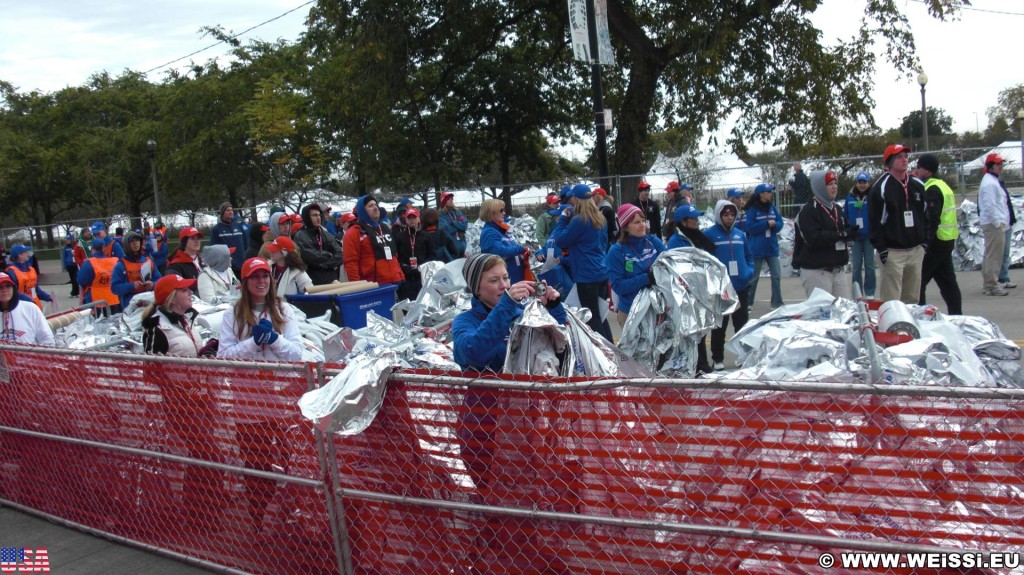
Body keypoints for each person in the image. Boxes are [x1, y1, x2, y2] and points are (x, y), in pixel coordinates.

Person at [453, 252, 566, 370]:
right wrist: (506, 305)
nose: (504, 285)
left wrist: (553, 307)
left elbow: (561, 340)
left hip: (535, 384)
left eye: (506, 278)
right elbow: (473, 354)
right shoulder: (465, 321)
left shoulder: (523, 311)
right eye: (493, 280)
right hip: (492, 387)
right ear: (476, 289)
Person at [549, 184, 611, 340]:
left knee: (592, 318)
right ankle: (611, 348)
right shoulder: (600, 217)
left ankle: (606, 354)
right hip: (601, 271)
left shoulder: (580, 220)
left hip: (586, 275)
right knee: (601, 316)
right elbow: (604, 243)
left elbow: (561, 241)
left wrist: (562, 219)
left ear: (576, 199)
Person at [868, 144, 927, 303]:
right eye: (899, 157)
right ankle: (892, 327)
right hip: (893, 252)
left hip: (915, 250)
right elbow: (875, 221)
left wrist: (924, 242)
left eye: (905, 156)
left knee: (912, 299)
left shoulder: (917, 184)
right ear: (890, 162)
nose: (904, 160)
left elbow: (926, 214)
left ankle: (908, 327)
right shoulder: (881, 188)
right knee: (892, 301)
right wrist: (881, 248)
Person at [218, 257, 303, 361]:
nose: (261, 281)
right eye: (254, 277)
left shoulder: (284, 309)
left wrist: (274, 339)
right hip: (247, 376)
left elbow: (297, 355)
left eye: (265, 276)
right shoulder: (232, 313)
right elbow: (223, 356)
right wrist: (253, 342)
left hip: (280, 376)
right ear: (245, 282)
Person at [667, 204, 716, 374]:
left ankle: (701, 363)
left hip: (700, 290)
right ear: (684, 222)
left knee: (701, 329)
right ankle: (696, 365)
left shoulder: (697, 237)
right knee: (690, 331)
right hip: (686, 292)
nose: (697, 221)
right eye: (693, 218)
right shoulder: (676, 242)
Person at [705, 200, 753, 370]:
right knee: (720, 326)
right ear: (719, 215)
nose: (729, 217)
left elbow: (749, 257)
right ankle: (717, 358)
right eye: (725, 214)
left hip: (740, 287)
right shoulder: (710, 235)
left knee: (741, 324)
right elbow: (706, 260)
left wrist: (748, 273)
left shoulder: (740, 235)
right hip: (721, 290)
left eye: (732, 214)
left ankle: (743, 356)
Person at [794, 171, 855, 299]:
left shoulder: (836, 208)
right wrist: (840, 235)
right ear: (820, 187)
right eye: (829, 184)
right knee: (823, 315)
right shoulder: (809, 211)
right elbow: (814, 238)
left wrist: (850, 233)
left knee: (844, 311)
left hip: (838, 270)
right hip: (817, 271)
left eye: (835, 183)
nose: (834, 187)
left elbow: (845, 229)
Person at [604, 204, 666, 328]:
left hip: (657, 308)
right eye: (636, 222)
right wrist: (647, 278)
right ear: (625, 227)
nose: (642, 225)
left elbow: (668, 265)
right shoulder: (617, 251)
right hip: (631, 312)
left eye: (643, 221)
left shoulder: (653, 242)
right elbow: (618, 286)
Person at [915, 154, 962, 314]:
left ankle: (921, 316)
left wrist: (926, 243)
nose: (916, 170)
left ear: (926, 170)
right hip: (946, 239)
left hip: (936, 242)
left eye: (919, 167)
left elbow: (932, 220)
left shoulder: (932, 189)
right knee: (948, 283)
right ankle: (957, 315)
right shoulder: (943, 185)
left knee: (918, 281)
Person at [142, 275, 217, 357]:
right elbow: (151, 366)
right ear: (172, 299)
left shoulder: (187, 318)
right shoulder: (156, 326)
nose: (190, 292)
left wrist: (207, 353)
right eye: (184, 290)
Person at [343, 195, 405, 285]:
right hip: (373, 287)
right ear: (362, 210)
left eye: (376, 205)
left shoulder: (384, 228)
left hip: (394, 283)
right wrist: (358, 287)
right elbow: (351, 263)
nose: (375, 208)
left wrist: (401, 276)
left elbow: (394, 255)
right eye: (370, 206)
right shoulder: (354, 232)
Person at [743, 183, 785, 309]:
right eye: (768, 192)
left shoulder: (773, 208)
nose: (771, 194)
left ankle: (777, 302)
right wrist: (766, 224)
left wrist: (774, 225)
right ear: (761, 194)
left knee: (776, 275)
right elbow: (749, 227)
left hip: (771, 247)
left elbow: (780, 223)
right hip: (757, 248)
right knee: (753, 277)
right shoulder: (753, 210)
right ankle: (748, 303)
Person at [979, 153, 1012, 296]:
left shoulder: (992, 181)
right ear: (990, 166)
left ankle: (989, 284)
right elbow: (989, 206)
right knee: (994, 256)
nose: (1001, 167)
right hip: (993, 225)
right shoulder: (989, 183)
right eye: (998, 164)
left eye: (1001, 164)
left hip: (995, 223)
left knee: (990, 255)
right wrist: (998, 223)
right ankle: (992, 285)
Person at [478, 198, 529, 284]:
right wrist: (521, 249)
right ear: (491, 212)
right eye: (501, 211)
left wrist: (523, 255)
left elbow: (510, 250)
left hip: (515, 277)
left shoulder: (500, 230)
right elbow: (499, 252)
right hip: (505, 281)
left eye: (504, 210)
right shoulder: (489, 232)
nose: (504, 213)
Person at [293, 202, 344, 285]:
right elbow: (311, 257)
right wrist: (329, 255)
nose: (318, 218)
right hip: (313, 281)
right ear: (307, 217)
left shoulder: (326, 234)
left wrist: (324, 264)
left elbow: (340, 255)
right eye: (314, 215)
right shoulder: (300, 235)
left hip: (332, 278)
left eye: (319, 215)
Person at [393, 208, 436, 302]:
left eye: (414, 217)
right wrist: (403, 266)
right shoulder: (400, 237)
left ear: (418, 219)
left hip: (422, 278)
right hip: (406, 278)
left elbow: (432, 256)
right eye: (409, 218)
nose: (412, 220)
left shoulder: (426, 236)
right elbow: (396, 256)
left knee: (422, 305)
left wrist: (423, 266)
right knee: (407, 306)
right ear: (406, 220)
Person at [111, 231, 161, 311]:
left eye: (137, 241)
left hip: (149, 302)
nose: (135, 243)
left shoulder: (148, 261)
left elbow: (160, 280)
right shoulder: (121, 265)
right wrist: (131, 286)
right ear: (127, 244)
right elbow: (114, 288)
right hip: (131, 306)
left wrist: (152, 284)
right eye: (132, 241)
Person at [844, 172, 875, 297]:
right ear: (856, 183)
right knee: (856, 266)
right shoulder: (850, 197)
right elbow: (845, 214)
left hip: (868, 236)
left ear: (869, 183)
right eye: (860, 182)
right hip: (856, 237)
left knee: (869, 265)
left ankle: (870, 292)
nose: (862, 185)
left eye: (865, 182)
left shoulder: (872, 196)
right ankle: (857, 293)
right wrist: (849, 230)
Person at [0, 274, 53, 346]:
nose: (5, 290)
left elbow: (47, 339)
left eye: (8, 286)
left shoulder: (30, 309)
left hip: (28, 356)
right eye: (0, 287)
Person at [77, 238, 121, 313]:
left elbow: (81, 281)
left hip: (95, 301)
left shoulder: (89, 263)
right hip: (114, 299)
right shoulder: (115, 261)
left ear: (93, 249)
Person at [7, 245, 52, 311]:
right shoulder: (11, 271)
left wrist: (48, 297)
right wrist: (29, 300)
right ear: (20, 255)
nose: (27, 254)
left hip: (34, 306)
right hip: (21, 307)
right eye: (25, 252)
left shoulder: (31, 269)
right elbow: (13, 292)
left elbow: (35, 288)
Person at [210, 202, 248, 278]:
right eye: (227, 210)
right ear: (222, 213)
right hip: (228, 267)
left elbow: (245, 244)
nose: (230, 212)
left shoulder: (239, 227)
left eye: (231, 210)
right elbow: (215, 248)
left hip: (242, 264)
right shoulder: (216, 229)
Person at [166, 227, 205, 293]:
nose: (197, 241)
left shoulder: (201, 260)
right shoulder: (175, 265)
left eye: (198, 238)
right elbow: (175, 291)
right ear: (184, 241)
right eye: (192, 238)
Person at [438, 192, 468, 258]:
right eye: (448, 199)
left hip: (462, 247)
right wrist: (459, 226)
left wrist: (453, 222)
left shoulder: (457, 212)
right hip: (451, 251)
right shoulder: (441, 215)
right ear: (444, 201)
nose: (451, 200)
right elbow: (445, 229)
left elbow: (465, 225)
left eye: (452, 198)